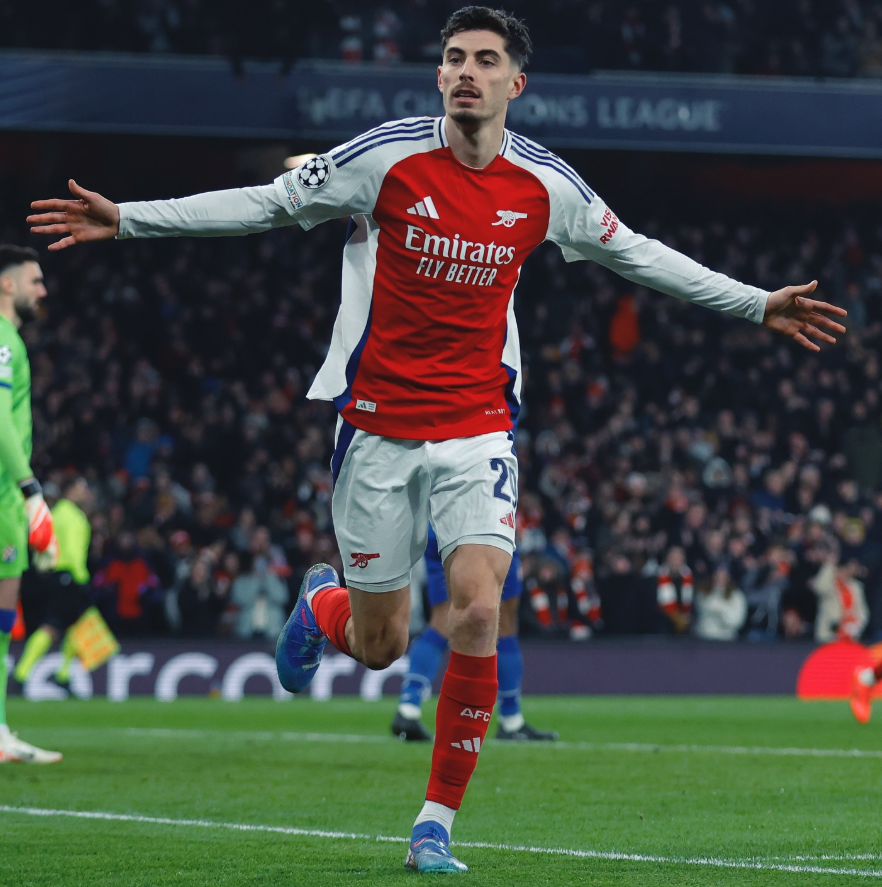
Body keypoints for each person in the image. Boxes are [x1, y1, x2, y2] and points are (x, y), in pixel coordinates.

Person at [28, 6, 847, 872]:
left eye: (485, 60)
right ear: (439, 74)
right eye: (453, 57)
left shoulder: (545, 186)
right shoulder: (384, 158)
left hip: (478, 426)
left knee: (480, 606)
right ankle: (321, 604)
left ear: (514, 83)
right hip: (377, 428)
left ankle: (435, 824)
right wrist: (130, 219)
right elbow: (267, 204)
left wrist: (757, 302)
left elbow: (639, 253)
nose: (465, 72)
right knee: (380, 644)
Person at [392, 525, 557, 742]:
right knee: (505, 622)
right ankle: (511, 719)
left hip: (439, 525)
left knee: (441, 619)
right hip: (487, 524)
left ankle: (409, 706)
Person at [0, 245, 62, 763]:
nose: (42, 291)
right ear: (7, 284)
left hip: (7, 495)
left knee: (3, 618)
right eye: (34, 280)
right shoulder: (3, 340)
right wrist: (28, 489)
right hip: (3, 494)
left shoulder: (12, 341)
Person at [12, 477, 95, 695]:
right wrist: (80, 579)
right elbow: (73, 552)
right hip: (69, 577)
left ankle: (63, 675)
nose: (84, 491)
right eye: (81, 486)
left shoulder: (60, 513)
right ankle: (21, 674)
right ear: (71, 489)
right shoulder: (69, 515)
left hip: (62, 576)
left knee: (80, 625)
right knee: (52, 625)